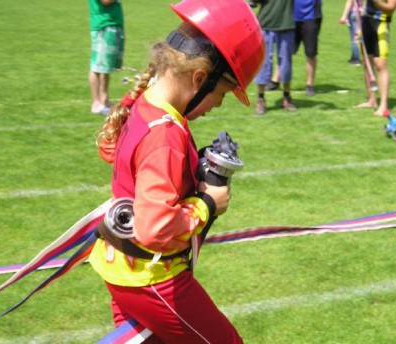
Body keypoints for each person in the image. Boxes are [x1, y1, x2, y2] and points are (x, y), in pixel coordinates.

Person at [88, 0, 265, 342]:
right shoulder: (165, 133)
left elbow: (121, 157)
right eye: (223, 94)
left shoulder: (146, 106)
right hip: (151, 278)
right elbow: (155, 228)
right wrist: (208, 203)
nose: (218, 106)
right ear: (200, 78)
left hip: (121, 268)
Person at [354, 0, 396, 116]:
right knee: (367, 64)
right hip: (366, 22)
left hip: (380, 24)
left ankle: (383, 105)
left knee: (381, 65)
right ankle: (371, 100)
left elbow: (390, 9)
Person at [252, 0, 296, 115]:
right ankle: (260, 99)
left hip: (286, 25)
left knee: (286, 63)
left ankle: (287, 97)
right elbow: (254, 2)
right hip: (266, 24)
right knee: (264, 63)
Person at [88, 0, 125, 115]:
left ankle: (105, 100)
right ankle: (96, 103)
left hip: (113, 24)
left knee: (106, 68)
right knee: (97, 67)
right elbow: (106, 1)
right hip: (103, 26)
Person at [294, 0, 323, 96]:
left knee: (311, 53)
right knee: (286, 50)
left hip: (311, 17)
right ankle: (275, 81)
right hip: (292, 17)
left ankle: (310, 84)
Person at [339, 0, 362, 65]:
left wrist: (344, 16)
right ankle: (353, 56)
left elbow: (349, 1)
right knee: (356, 35)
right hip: (359, 12)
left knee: (354, 37)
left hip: (353, 12)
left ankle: (356, 59)